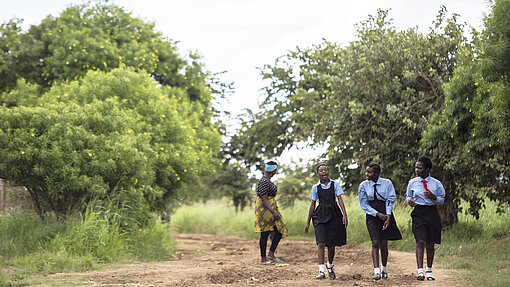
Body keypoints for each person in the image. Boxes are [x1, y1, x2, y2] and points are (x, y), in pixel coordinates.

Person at [358, 163, 402, 280]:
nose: (367, 174)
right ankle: (376, 271)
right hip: (372, 214)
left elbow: (390, 199)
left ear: (377, 173)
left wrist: (388, 215)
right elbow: (364, 204)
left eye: (370, 172)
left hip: (385, 212)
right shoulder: (363, 185)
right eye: (366, 172)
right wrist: (376, 214)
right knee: (375, 242)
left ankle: (384, 268)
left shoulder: (387, 183)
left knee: (383, 243)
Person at [305, 163, 348, 280]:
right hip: (320, 215)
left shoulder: (335, 184)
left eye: (326, 170)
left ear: (328, 172)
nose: (324, 172)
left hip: (334, 214)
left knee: (331, 245)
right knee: (321, 242)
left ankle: (329, 265)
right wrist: (308, 222)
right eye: (321, 170)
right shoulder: (315, 187)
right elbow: (313, 205)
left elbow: (340, 200)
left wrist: (344, 215)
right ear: (317, 173)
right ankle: (321, 271)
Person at [406, 155, 445, 281]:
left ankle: (429, 270)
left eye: (420, 168)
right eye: (416, 168)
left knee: (430, 242)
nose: (417, 170)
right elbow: (408, 196)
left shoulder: (436, 183)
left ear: (427, 169)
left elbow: (441, 200)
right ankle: (420, 271)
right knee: (420, 241)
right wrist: (409, 201)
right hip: (418, 212)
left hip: (431, 212)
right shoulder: (412, 182)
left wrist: (434, 197)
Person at [254, 161, 288, 264]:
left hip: (271, 208)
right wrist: (273, 212)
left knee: (279, 230)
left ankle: (271, 254)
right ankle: (263, 259)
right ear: (273, 170)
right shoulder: (264, 181)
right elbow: (264, 199)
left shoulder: (267, 180)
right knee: (264, 233)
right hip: (265, 209)